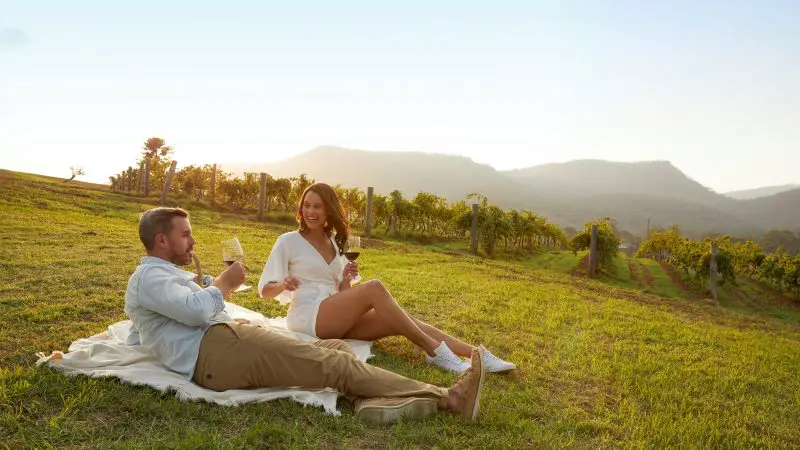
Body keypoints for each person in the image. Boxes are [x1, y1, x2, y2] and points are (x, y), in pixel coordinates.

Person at [124, 207, 487, 425]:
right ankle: (449, 398)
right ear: (161, 241)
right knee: (335, 365)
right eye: (185, 235)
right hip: (217, 352)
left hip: (223, 343)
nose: (193, 242)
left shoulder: (162, 278)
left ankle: (369, 398)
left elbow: (147, 329)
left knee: (336, 349)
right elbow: (194, 311)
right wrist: (223, 284)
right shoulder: (150, 277)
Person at [258, 183, 516, 374]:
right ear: (301, 209)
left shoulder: (335, 244)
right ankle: (435, 352)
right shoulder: (288, 241)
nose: (311, 211)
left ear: (329, 211)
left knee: (401, 320)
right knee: (374, 288)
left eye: (318, 206)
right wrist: (284, 284)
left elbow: (340, 292)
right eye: (306, 205)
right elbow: (265, 290)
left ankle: (476, 354)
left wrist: (346, 278)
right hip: (307, 317)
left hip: (334, 315)